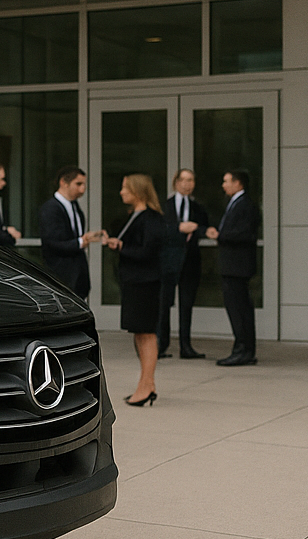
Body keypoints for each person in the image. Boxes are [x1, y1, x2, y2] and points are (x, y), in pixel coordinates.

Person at [104, 173, 164, 406]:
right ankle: (146, 384)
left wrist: (121, 247)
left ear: (138, 191)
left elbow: (147, 252)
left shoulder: (152, 218)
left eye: (125, 188)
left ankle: (147, 384)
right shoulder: (135, 216)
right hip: (134, 282)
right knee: (139, 333)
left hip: (145, 283)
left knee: (146, 333)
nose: (121, 192)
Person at [207, 168, 261, 366]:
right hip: (233, 266)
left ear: (238, 183)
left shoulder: (246, 205)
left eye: (226, 181)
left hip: (238, 267)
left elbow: (244, 234)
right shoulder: (234, 203)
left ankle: (243, 350)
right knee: (238, 308)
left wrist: (220, 235)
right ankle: (243, 348)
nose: (223, 185)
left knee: (239, 309)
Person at [158, 168, 209, 360]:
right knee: (164, 304)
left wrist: (199, 229)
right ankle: (161, 345)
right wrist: (178, 228)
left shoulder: (198, 208)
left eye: (191, 180)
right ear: (176, 182)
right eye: (184, 180)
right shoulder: (165, 206)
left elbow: (203, 227)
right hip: (169, 261)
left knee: (186, 305)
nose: (187, 184)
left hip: (190, 261)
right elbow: (160, 230)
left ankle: (186, 347)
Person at [37, 166, 102, 301]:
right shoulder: (50, 209)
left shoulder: (74, 206)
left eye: (84, 184)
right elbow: (52, 242)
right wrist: (80, 242)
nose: (82, 189)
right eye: (78, 184)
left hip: (76, 274)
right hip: (61, 273)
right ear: (63, 183)